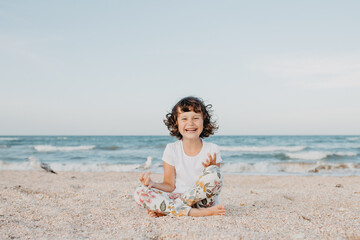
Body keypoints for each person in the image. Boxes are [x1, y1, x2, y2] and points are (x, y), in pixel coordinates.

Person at [134, 96, 225, 217]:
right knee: (140, 192)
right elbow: (169, 185)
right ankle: (193, 213)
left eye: (196, 118)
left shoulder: (212, 148)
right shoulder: (171, 149)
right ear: (176, 122)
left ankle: (169, 209)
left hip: (204, 202)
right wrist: (152, 183)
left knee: (215, 172)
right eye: (184, 119)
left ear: (204, 120)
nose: (190, 123)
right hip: (178, 195)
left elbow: (215, 183)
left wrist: (211, 169)